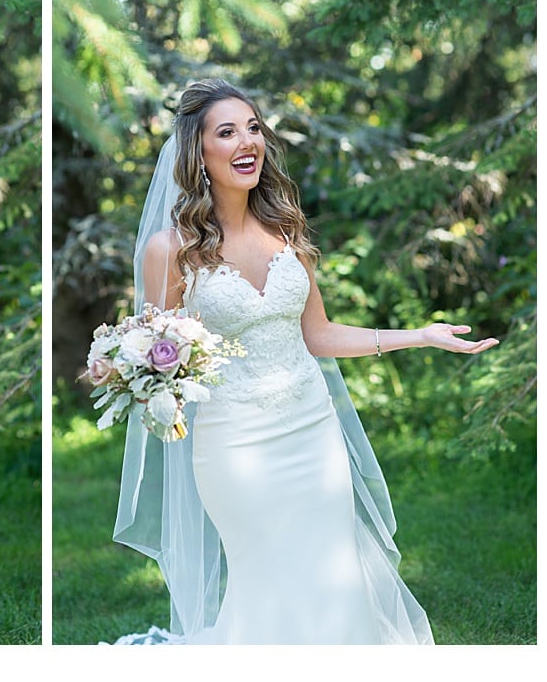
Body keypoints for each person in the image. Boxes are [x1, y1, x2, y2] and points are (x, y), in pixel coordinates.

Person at [111, 78, 498, 645]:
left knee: (331, 574)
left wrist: (418, 335)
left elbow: (317, 334)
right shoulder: (169, 250)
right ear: (199, 152)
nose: (248, 142)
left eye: (253, 128)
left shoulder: (284, 230)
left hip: (312, 431)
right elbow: (156, 350)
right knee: (267, 574)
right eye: (227, 132)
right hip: (233, 441)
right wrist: (141, 376)